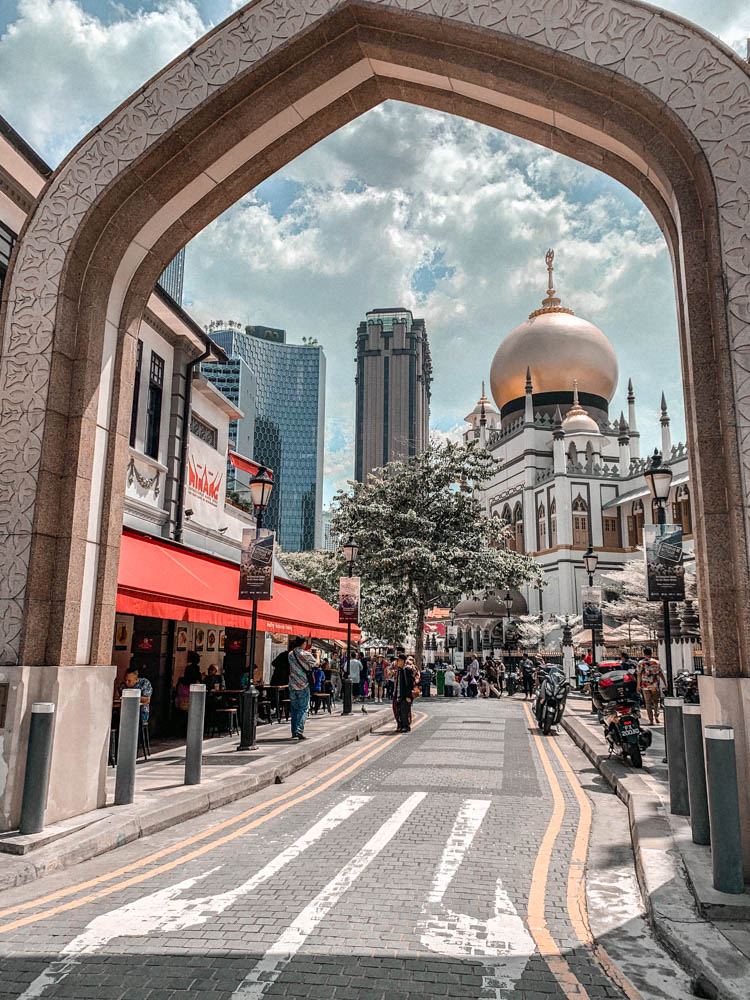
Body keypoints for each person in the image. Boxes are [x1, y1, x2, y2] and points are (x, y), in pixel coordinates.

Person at [288, 636, 315, 739]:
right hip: (303, 684)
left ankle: (294, 731)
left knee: (294, 708)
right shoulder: (306, 654)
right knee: (303, 708)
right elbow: (315, 664)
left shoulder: (290, 654)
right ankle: (299, 730)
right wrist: (317, 656)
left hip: (292, 684)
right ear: (303, 643)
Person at [637, 647, 666, 725]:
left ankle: (650, 720)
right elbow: (660, 674)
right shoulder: (656, 662)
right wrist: (665, 683)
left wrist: (638, 685)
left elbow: (639, 675)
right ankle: (656, 716)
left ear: (644, 654)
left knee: (648, 703)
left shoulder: (641, 663)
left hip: (645, 685)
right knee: (656, 702)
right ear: (651, 653)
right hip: (654, 685)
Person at [392, 648, 414, 733]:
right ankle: (400, 725)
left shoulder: (407, 670)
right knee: (399, 710)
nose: (397, 662)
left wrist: (409, 696)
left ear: (403, 661)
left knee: (405, 711)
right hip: (398, 694)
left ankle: (406, 726)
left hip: (405, 694)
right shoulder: (399, 670)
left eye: (399, 660)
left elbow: (410, 684)